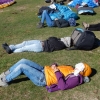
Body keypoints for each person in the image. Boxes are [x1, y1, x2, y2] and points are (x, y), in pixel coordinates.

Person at [0, 58, 92, 92]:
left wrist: (56, 71)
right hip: (45, 70)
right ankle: (5, 74)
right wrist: (54, 65)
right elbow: (60, 69)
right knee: (23, 60)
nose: (77, 66)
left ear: (82, 71)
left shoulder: (76, 78)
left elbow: (63, 86)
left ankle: (5, 81)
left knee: (22, 67)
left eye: (80, 66)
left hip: (44, 79)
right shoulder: (71, 69)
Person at [2, 36, 71, 54]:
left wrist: (58, 39)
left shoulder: (60, 44)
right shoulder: (60, 43)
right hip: (39, 42)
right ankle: (10, 47)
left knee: (24, 48)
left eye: (65, 39)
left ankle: (12, 51)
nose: (63, 38)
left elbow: (51, 38)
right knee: (24, 42)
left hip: (40, 47)